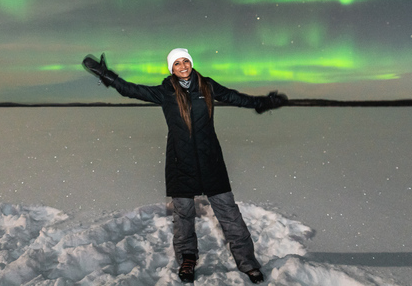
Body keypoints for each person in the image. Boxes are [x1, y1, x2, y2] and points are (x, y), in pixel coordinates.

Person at [82, 48, 288, 284]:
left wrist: (263, 102)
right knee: (183, 217)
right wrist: (108, 76)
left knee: (230, 216)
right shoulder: (165, 92)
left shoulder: (207, 86)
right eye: (177, 63)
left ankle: (248, 263)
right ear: (172, 68)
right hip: (181, 163)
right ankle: (187, 260)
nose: (183, 66)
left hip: (211, 161)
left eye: (186, 61)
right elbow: (131, 90)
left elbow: (235, 97)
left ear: (191, 62)